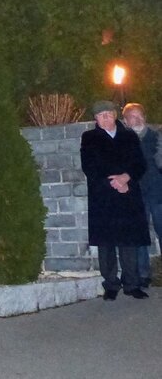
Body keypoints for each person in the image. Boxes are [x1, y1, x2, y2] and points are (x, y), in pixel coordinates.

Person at [80, 101, 151, 301]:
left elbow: (140, 163)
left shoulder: (129, 136)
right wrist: (113, 182)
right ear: (95, 119)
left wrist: (126, 178)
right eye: (101, 115)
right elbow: (90, 167)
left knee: (129, 241)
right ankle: (110, 284)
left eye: (108, 114)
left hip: (128, 194)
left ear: (114, 115)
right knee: (106, 244)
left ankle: (132, 284)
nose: (105, 117)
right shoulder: (89, 138)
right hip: (103, 197)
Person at [121, 103, 162, 289]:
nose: (138, 120)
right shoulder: (123, 141)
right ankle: (144, 274)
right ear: (126, 121)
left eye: (140, 116)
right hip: (136, 194)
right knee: (141, 235)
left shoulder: (156, 137)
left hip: (157, 190)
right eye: (133, 117)